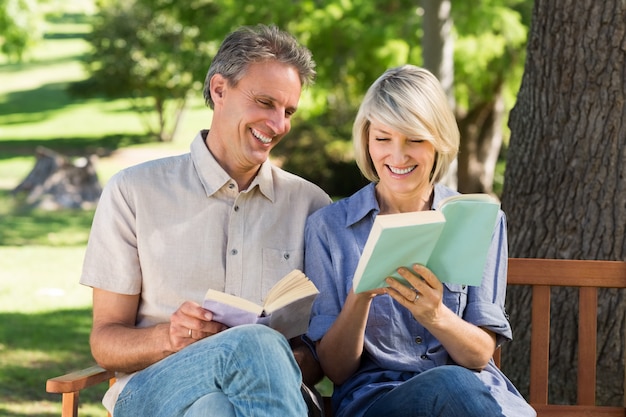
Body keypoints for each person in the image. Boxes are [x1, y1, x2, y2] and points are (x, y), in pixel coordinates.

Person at [80, 24, 331, 417]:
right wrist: (171, 336)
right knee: (252, 346)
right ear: (219, 90)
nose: (279, 124)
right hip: (155, 388)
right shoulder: (133, 191)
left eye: (288, 111)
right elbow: (105, 341)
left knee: (216, 405)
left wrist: (275, 360)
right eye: (265, 102)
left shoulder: (311, 204)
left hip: (267, 395)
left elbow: (317, 354)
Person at [304, 65, 536, 417]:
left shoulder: (479, 222)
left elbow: (478, 355)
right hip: (378, 400)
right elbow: (336, 371)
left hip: (473, 397)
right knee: (451, 386)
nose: (397, 156)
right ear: (366, 141)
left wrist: (435, 315)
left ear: (439, 141)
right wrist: (360, 296)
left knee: (456, 385)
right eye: (383, 139)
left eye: (414, 139)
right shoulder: (329, 228)